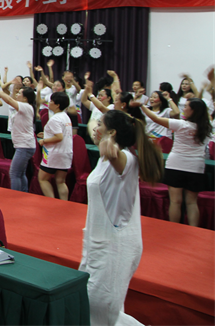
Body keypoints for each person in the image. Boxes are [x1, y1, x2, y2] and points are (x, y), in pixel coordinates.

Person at [80, 110, 163, 326]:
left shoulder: (126, 159)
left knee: (101, 312)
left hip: (115, 249)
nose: (96, 129)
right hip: (97, 244)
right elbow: (92, 126)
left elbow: (118, 159)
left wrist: (113, 149)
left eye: (101, 125)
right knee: (95, 308)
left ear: (112, 133)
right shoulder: (104, 156)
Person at [142, 98, 212, 226]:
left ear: (194, 110)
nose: (183, 109)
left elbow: (155, 118)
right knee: (192, 203)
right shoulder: (206, 127)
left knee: (175, 201)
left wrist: (142, 106)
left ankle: (174, 229)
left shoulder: (181, 124)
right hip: (195, 167)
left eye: (186, 106)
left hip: (175, 165)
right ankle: (194, 231)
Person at [0, 86, 37, 192]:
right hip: (24, 145)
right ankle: (23, 194)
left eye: (19, 93)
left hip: (24, 146)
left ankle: (15, 196)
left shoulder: (26, 106)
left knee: (14, 173)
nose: (17, 94)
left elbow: (9, 100)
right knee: (20, 173)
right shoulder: (24, 106)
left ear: (25, 98)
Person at [37, 92, 73, 200]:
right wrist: (47, 134)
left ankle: (52, 202)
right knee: (61, 181)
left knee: (42, 179)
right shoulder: (66, 117)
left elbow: (59, 137)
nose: (49, 103)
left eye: (51, 101)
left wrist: (44, 140)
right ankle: (64, 204)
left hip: (55, 153)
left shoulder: (55, 119)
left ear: (57, 105)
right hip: (66, 153)